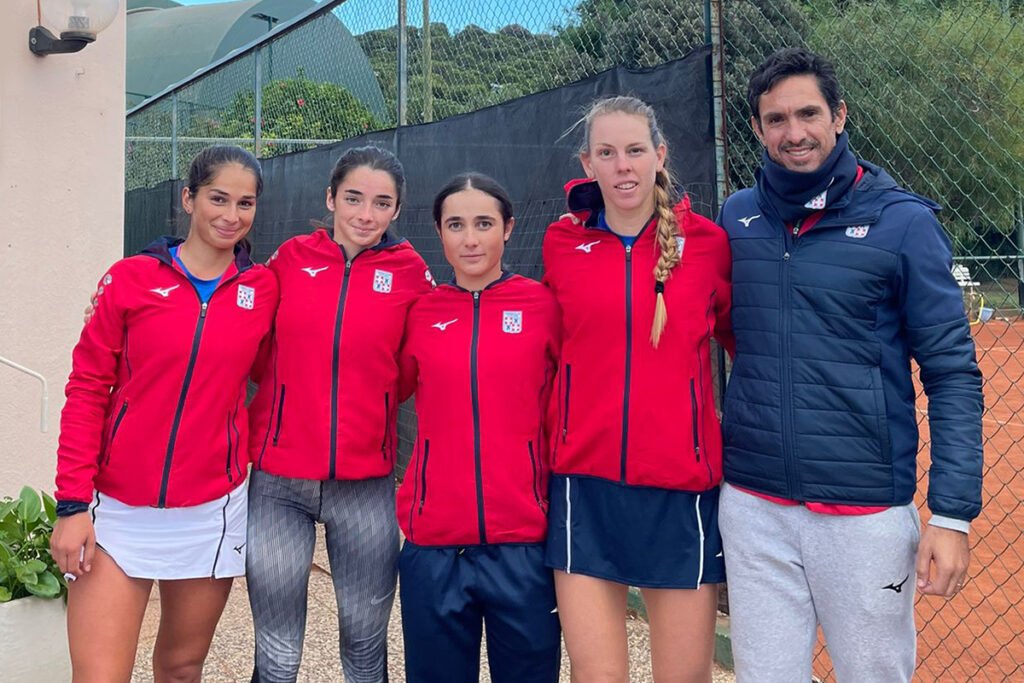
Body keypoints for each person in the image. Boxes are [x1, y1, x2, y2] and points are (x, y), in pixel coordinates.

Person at [716, 47, 984, 683]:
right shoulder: (736, 218)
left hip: (863, 512)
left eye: (808, 113)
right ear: (757, 129)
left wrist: (951, 516)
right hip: (752, 502)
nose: (794, 133)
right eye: (775, 119)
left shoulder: (904, 223)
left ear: (839, 116)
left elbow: (951, 373)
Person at [50, 146, 278, 682]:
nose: (231, 215)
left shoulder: (264, 289)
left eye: (245, 203)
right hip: (117, 511)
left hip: (209, 511)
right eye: (218, 198)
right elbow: (86, 389)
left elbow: (288, 370)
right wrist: (71, 504)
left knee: (179, 668)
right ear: (188, 198)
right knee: (99, 676)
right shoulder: (129, 279)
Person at [542, 96, 734, 682]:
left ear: (660, 155)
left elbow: (741, 344)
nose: (622, 166)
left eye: (634, 150)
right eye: (607, 153)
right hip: (584, 488)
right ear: (588, 163)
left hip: (678, 491)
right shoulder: (561, 244)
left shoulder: (707, 244)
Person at [245, 146, 433, 683]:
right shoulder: (290, 259)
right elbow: (252, 339)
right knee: (278, 654)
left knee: (365, 650)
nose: (365, 215)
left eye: (381, 203)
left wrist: (367, 412)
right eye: (353, 198)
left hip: (366, 486)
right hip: (280, 482)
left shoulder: (410, 273)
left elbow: (413, 367)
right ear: (330, 198)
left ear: (397, 210)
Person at [395, 173, 562, 683]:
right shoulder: (419, 311)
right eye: (456, 225)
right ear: (439, 233)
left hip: (524, 544)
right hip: (434, 544)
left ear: (508, 229)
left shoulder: (543, 307)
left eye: (484, 223)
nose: (470, 239)